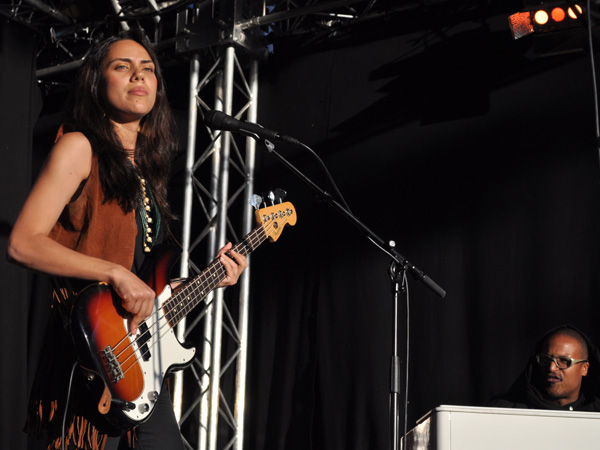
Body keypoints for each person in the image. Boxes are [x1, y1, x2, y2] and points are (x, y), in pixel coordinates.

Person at [6, 30, 247, 450]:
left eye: (148, 69)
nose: (139, 76)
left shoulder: (146, 168)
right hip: (90, 360)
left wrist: (212, 279)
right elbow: (23, 242)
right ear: (96, 83)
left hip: (140, 365)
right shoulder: (79, 147)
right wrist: (115, 274)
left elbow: (145, 290)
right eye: (122, 67)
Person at [488, 324, 600, 411]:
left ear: (584, 368)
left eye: (564, 361)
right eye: (545, 360)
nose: (551, 368)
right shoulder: (506, 411)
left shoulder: (595, 412)